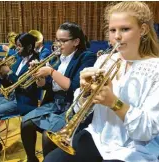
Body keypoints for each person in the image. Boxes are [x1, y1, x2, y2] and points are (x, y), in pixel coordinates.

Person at [43, 2, 159, 162]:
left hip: (135, 148)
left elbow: (147, 130)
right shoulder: (105, 60)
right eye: (113, 30)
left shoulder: (156, 69)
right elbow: (78, 110)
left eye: (125, 29)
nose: (117, 36)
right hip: (98, 136)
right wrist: (85, 93)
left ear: (143, 30)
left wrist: (113, 102)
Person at [21, 22, 97, 162]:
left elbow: (75, 87)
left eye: (63, 41)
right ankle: (32, 159)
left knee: (47, 136)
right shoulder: (57, 58)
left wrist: (50, 71)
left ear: (76, 41)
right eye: (57, 40)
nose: (58, 44)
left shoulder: (86, 57)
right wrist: (39, 76)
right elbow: (46, 86)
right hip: (55, 103)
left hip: (72, 106)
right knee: (25, 123)